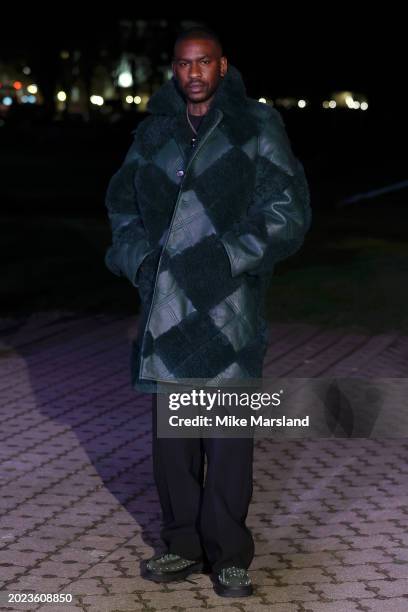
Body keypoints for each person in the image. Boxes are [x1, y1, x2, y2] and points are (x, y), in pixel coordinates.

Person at [104, 26, 312, 598]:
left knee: (226, 441)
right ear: (174, 70)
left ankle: (228, 555)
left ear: (223, 66)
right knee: (173, 443)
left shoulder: (255, 125)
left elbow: (286, 210)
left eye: (204, 63)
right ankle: (181, 546)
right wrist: (141, 261)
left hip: (228, 310)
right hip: (167, 312)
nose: (193, 73)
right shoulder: (153, 133)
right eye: (183, 64)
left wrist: (226, 256)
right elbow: (121, 207)